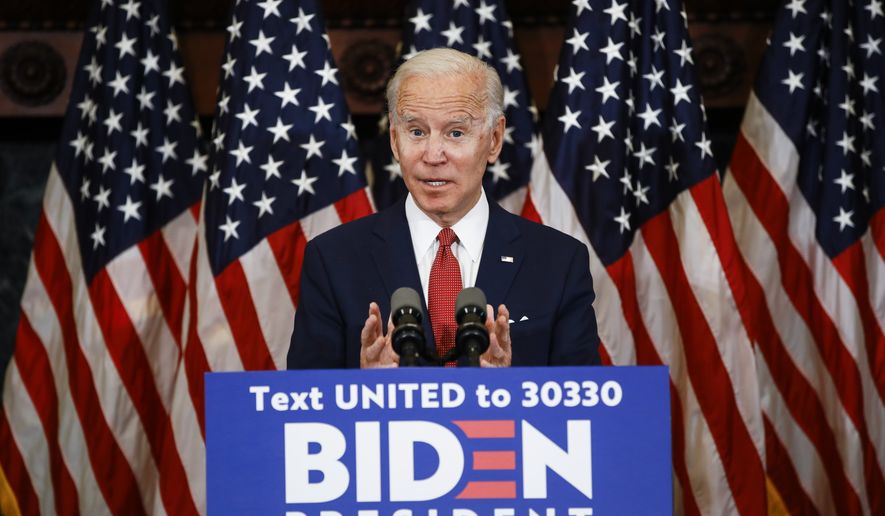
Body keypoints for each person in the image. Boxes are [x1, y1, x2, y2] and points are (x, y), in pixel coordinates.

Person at [288, 48, 599, 369]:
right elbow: (301, 403)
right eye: (417, 132)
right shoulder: (333, 259)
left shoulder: (559, 262)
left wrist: (511, 389)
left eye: (455, 132)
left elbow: (584, 404)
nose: (433, 155)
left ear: (494, 139)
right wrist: (365, 388)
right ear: (395, 140)